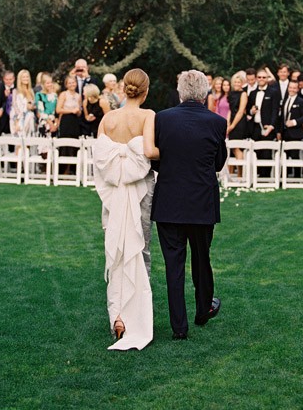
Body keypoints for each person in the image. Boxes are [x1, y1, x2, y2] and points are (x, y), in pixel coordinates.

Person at [151, 70, 226, 341]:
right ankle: (203, 308)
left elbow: (155, 160)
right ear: (204, 93)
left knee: (174, 265)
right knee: (201, 257)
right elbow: (218, 163)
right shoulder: (216, 122)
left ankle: (178, 327)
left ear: (181, 92)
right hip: (201, 202)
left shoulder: (163, 118)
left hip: (170, 201)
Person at [92, 68, 156, 351]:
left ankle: (117, 316)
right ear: (145, 91)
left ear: (123, 89)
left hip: (114, 193)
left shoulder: (108, 118)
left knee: (116, 248)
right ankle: (136, 316)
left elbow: (99, 156)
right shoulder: (148, 116)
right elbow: (150, 151)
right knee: (139, 248)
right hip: (138, 190)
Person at [11, 69, 37, 138]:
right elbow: (14, 106)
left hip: (30, 119)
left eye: (27, 77)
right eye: (23, 77)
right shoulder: (15, 91)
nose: (26, 79)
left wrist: (32, 106)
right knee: (19, 143)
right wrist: (17, 122)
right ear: (20, 79)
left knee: (28, 142)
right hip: (19, 119)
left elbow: (33, 105)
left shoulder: (31, 91)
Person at [0, 70, 16, 134]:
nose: (8, 81)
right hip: (3, 117)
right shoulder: (0, 88)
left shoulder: (17, 88)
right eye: (6, 79)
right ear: (3, 79)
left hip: (15, 117)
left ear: (14, 79)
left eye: (10, 79)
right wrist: (5, 96)